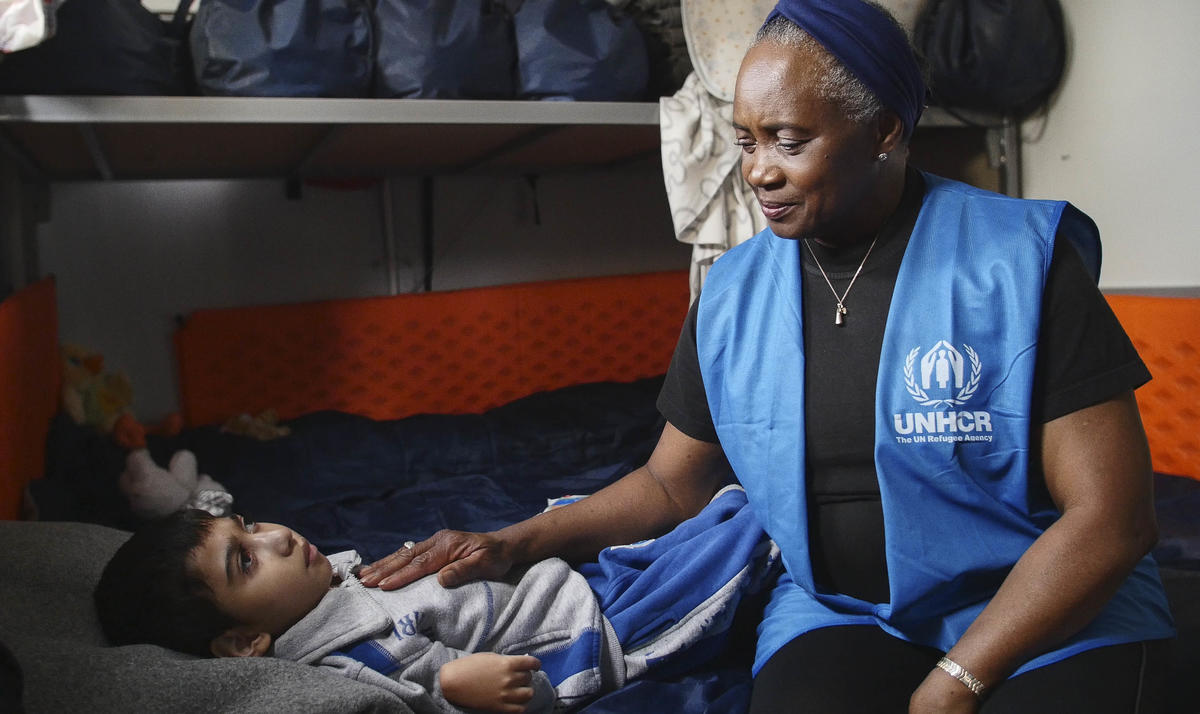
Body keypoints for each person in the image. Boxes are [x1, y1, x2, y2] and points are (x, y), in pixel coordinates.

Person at [357, 1, 1176, 712]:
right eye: (745, 139)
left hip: (1037, 605)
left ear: (885, 130)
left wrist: (960, 678)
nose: (758, 171)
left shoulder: (1018, 261)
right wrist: (520, 539)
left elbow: (1113, 518)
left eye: (788, 139)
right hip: (845, 610)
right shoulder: (734, 289)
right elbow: (673, 483)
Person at [93, 486, 775, 714]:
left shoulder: (321, 591)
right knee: (755, 539)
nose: (272, 537)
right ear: (244, 643)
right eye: (245, 559)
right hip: (600, 627)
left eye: (250, 527)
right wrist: (458, 688)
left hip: (574, 579)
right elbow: (429, 698)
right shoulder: (346, 661)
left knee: (718, 511)